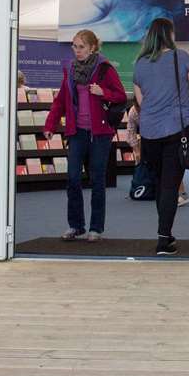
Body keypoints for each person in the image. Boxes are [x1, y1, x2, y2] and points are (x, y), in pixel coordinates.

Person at [43, 29, 127, 242]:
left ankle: (96, 228)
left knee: (97, 179)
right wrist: (51, 124)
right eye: (74, 46)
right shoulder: (70, 69)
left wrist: (103, 93)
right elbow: (61, 100)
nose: (76, 51)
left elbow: (120, 96)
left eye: (81, 47)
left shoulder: (105, 69)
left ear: (92, 48)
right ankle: (76, 225)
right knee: (72, 178)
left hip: (100, 133)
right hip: (77, 132)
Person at [132, 17, 189, 255]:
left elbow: (141, 101)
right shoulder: (180, 57)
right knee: (171, 186)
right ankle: (164, 239)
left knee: (161, 183)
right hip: (176, 130)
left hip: (150, 133)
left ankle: (165, 233)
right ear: (169, 35)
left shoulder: (140, 63)